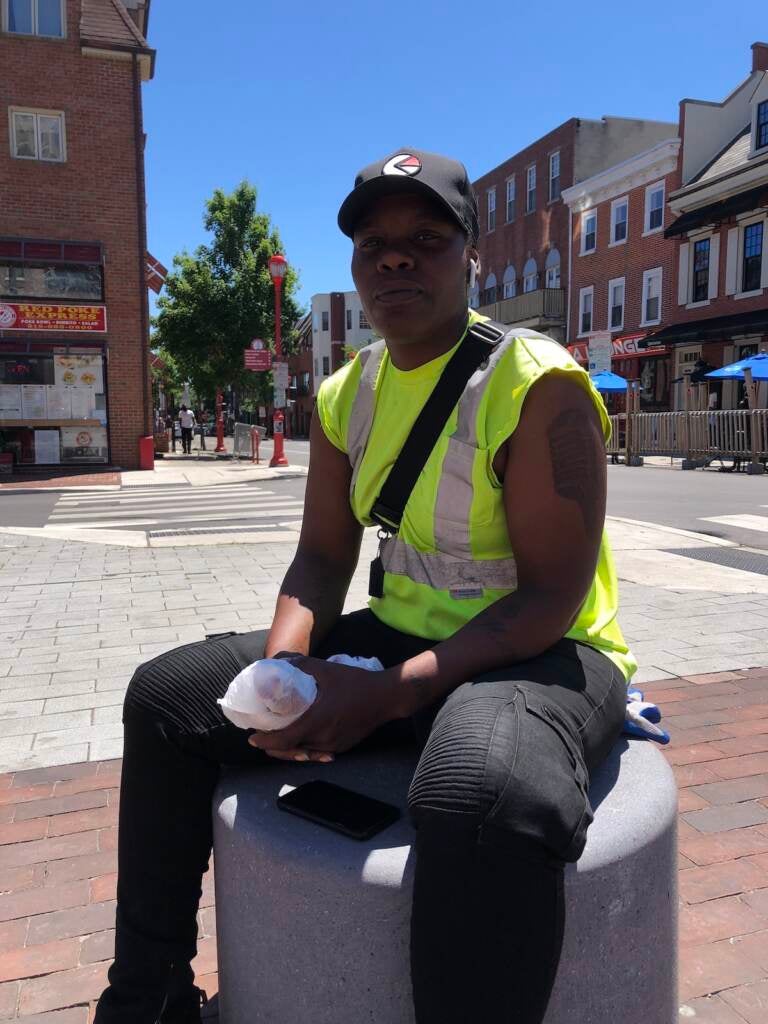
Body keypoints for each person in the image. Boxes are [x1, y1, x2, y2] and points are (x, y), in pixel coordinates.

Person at [95, 148, 636, 1024]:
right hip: (402, 634)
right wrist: (283, 676)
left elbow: (550, 597)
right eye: (373, 243)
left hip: (543, 654)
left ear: (472, 257)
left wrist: (384, 696)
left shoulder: (538, 384)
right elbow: (319, 559)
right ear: (353, 266)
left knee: (481, 793)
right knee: (167, 698)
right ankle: (147, 998)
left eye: (426, 237)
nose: (395, 257)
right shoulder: (348, 393)